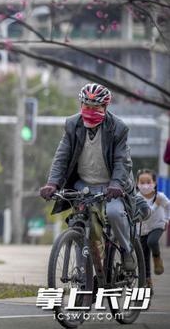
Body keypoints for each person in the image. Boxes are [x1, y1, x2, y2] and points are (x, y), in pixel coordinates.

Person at [39, 83, 137, 271]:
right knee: (82, 224)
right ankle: (87, 276)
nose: (90, 111)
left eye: (95, 108)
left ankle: (126, 250)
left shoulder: (118, 128)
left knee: (114, 213)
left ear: (105, 107)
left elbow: (122, 161)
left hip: (111, 186)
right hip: (83, 185)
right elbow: (62, 156)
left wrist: (116, 184)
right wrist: (53, 183)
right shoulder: (72, 124)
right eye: (86, 107)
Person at [136, 168, 170, 289]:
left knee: (152, 241)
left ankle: (157, 257)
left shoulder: (160, 196)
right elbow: (145, 212)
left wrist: (166, 220)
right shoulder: (137, 198)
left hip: (158, 225)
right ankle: (147, 280)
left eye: (148, 182)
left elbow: (168, 206)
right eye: (142, 182)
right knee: (143, 256)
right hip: (143, 229)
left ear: (154, 183)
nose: (145, 185)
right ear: (137, 183)